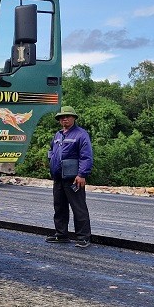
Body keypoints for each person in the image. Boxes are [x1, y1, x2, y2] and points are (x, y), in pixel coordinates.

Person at [46, 106, 93, 248]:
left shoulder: (81, 134)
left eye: (67, 116)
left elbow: (86, 156)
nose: (64, 118)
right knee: (59, 207)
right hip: (58, 178)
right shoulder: (58, 135)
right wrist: (51, 164)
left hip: (74, 178)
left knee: (79, 208)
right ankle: (61, 235)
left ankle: (83, 237)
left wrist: (82, 174)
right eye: (61, 117)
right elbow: (51, 151)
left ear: (74, 118)